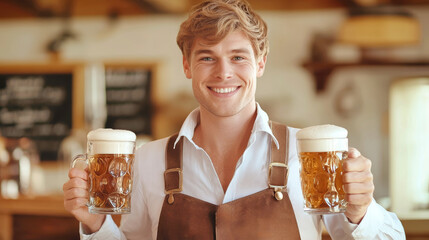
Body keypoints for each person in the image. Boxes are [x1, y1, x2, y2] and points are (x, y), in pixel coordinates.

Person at [63, 0, 406, 239]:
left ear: (260, 63)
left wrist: (361, 211)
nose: (223, 72)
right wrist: (96, 225)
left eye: (238, 57)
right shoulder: (148, 160)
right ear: (187, 66)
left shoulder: (308, 155)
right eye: (207, 57)